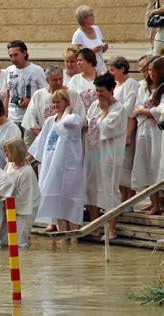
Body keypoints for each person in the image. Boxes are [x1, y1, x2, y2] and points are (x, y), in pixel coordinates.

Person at [28, 89, 84, 246]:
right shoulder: (49, 121)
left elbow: (66, 124)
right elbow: (40, 144)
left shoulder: (74, 118)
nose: (55, 105)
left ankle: (73, 240)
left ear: (66, 102)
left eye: (59, 102)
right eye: (53, 102)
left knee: (71, 203)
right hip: (52, 169)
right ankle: (62, 239)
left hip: (70, 168)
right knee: (57, 204)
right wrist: (27, 159)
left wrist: (67, 111)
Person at [86, 73, 127, 240]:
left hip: (110, 155)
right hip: (93, 152)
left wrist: (104, 111)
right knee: (92, 187)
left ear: (112, 90)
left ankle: (111, 229)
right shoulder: (95, 105)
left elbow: (106, 129)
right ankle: (95, 226)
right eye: (96, 91)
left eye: (102, 91)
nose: (99, 94)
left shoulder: (119, 109)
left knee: (110, 189)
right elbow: (89, 123)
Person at [0, 138, 40, 248]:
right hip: (9, 206)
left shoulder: (26, 172)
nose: (5, 154)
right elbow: (4, 182)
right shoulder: (10, 165)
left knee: (18, 243)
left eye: (7, 151)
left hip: (23, 211)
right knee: (4, 241)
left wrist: (2, 199)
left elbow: (23, 197)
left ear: (16, 152)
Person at [130, 56, 163, 215]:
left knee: (158, 166)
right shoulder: (142, 88)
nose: (150, 73)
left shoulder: (162, 88)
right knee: (147, 166)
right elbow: (136, 109)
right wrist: (146, 112)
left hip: (158, 133)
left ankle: (160, 204)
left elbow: (160, 111)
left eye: (152, 70)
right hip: (144, 132)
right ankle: (154, 203)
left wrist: (145, 111)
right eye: (148, 70)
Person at [107, 56, 140, 209]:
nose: (111, 73)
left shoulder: (131, 84)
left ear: (122, 69)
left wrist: (128, 134)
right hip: (116, 130)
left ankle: (129, 202)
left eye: (113, 70)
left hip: (127, 128)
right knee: (118, 169)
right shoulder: (116, 85)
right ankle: (122, 200)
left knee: (127, 166)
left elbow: (128, 108)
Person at [22, 65, 86, 138]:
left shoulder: (72, 94)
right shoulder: (38, 95)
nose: (58, 82)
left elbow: (80, 118)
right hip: (44, 137)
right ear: (47, 80)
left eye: (60, 79)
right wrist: (44, 138)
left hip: (67, 139)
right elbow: (31, 121)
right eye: (55, 80)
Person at [4, 40, 47, 146]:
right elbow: (7, 94)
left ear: (24, 53)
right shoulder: (9, 71)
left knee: (29, 148)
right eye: (11, 56)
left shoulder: (36, 70)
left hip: (31, 118)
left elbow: (45, 93)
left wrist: (31, 103)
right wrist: (5, 115)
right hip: (13, 117)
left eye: (16, 55)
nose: (13, 59)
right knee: (14, 149)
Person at [71, 5, 108, 74]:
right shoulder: (78, 34)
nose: (94, 16)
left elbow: (102, 49)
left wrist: (104, 47)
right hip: (88, 71)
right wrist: (91, 51)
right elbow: (75, 55)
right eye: (91, 15)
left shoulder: (96, 29)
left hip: (102, 68)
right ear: (84, 19)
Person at [66, 48, 98, 113]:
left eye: (80, 60)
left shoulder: (102, 76)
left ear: (89, 61)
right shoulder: (75, 79)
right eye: (77, 60)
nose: (78, 63)